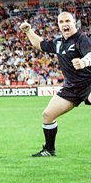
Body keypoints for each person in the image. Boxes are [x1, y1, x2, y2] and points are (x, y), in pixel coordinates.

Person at [20, 12, 91, 156]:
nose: (65, 24)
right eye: (61, 22)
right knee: (47, 115)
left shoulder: (81, 39)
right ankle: (49, 149)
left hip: (88, 83)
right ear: (58, 25)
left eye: (67, 21)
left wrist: (84, 62)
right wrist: (28, 31)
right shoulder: (58, 43)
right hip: (71, 88)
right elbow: (39, 44)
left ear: (74, 22)